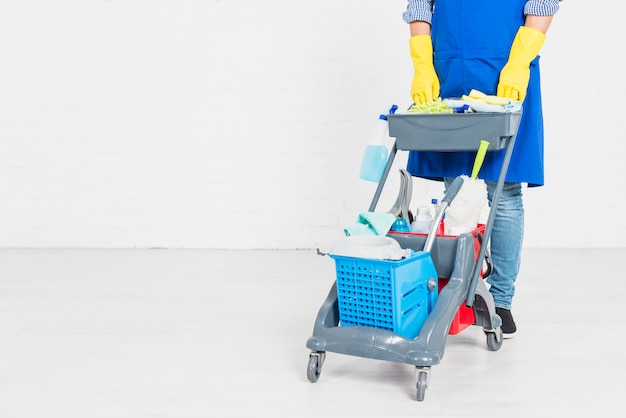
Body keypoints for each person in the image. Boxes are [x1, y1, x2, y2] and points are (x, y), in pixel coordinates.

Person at [403, 0, 562, 338]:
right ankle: (461, 288)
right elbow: (419, 6)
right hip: (449, 70)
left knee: (504, 191)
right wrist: (422, 64)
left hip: (505, 69)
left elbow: (543, 3)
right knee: (456, 189)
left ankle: (501, 299)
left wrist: (519, 63)